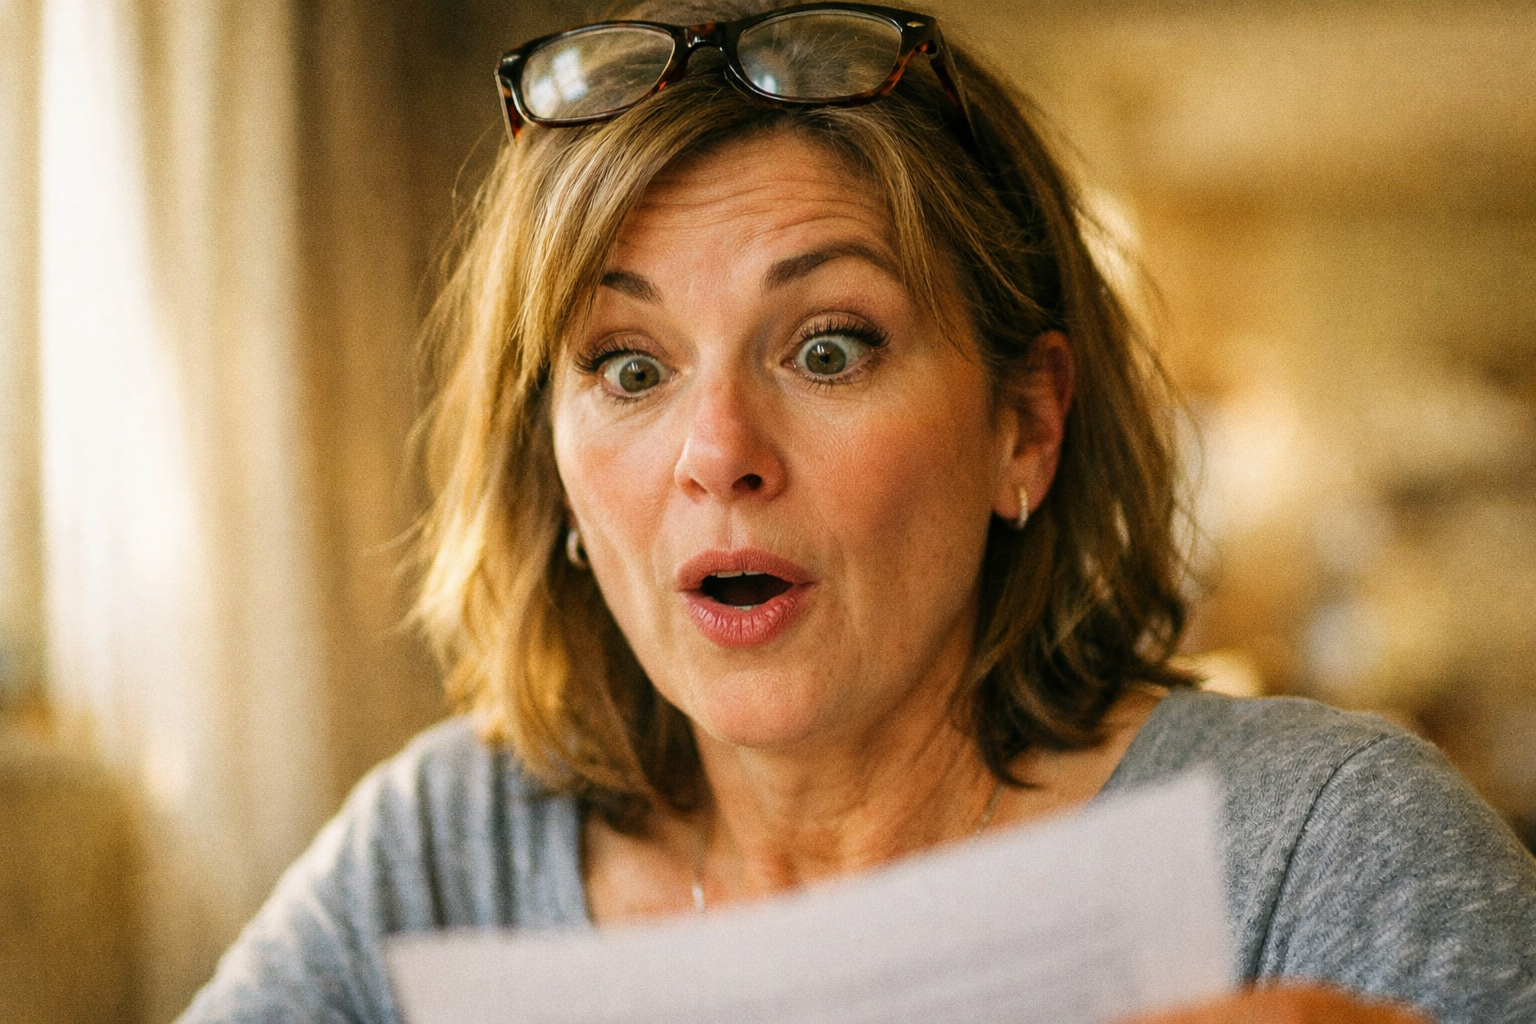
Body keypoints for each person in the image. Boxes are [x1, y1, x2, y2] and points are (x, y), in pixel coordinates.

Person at [179, 3, 1536, 1022]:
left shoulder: (1326, 852)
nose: (718, 453)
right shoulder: (435, 856)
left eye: (828, 347)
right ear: (553, 474)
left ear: (1027, 427)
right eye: (630, 368)